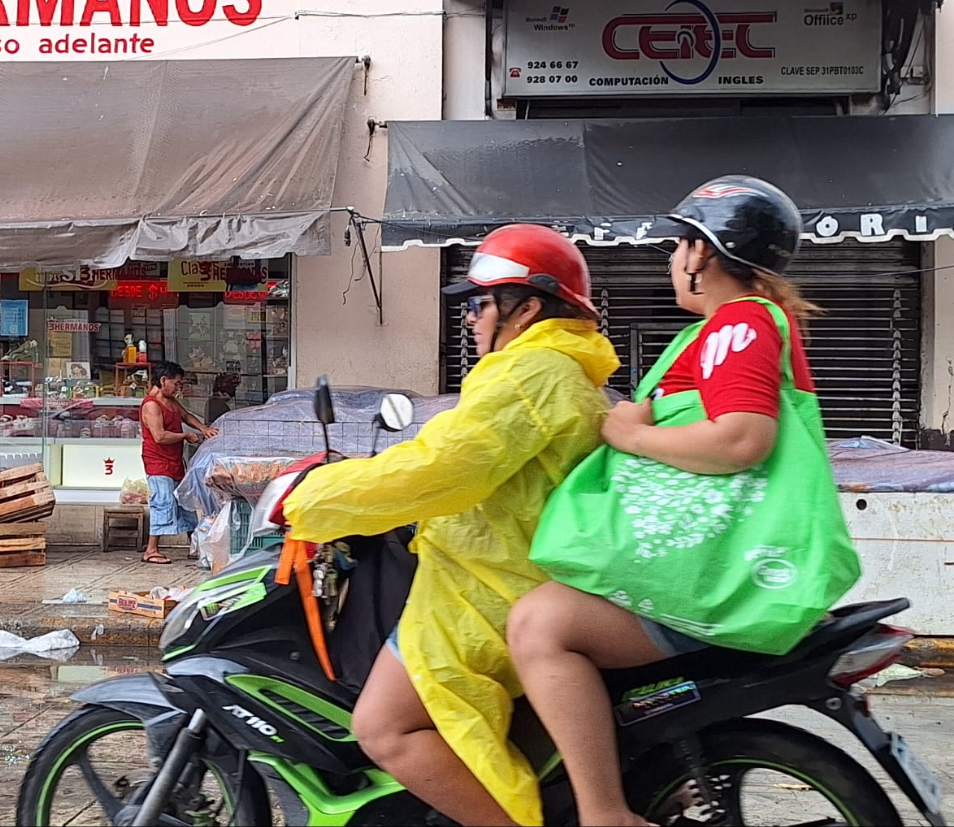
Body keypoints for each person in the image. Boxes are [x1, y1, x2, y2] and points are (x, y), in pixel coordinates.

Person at [507, 176, 848, 827]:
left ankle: (605, 812)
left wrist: (632, 432)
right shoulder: (740, 327)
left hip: (714, 571)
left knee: (539, 626)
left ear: (704, 253)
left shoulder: (739, 324)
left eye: (677, 245)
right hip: (718, 564)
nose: (671, 259)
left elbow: (742, 437)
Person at [282, 225, 621, 827]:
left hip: (485, 593)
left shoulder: (529, 374)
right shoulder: (563, 371)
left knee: (382, 727)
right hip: (503, 579)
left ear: (528, 309)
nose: (468, 317)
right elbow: (457, 455)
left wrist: (312, 497)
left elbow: (445, 469)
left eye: (479, 303)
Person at [141, 361, 218, 565]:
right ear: (163, 380)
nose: (178, 388)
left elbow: (185, 415)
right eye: (176, 383)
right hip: (157, 463)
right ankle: (151, 550)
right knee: (163, 502)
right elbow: (159, 436)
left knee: (184, 501)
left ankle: (194, 546)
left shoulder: (171, 402)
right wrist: (186, 436)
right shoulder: (151, 405)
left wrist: (203, 428)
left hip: (175, 461)